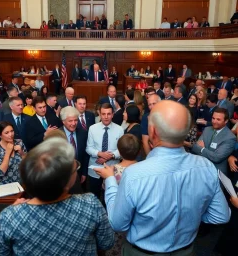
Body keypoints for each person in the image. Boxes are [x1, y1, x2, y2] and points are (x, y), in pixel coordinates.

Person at [94, 100, 230, 255]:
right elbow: (220, 216)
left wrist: (111, 180)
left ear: (153, 132)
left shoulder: (135, 174)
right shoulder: (206, 167)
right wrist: (191, 212)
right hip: (186, 251)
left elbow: (118, 224)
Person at [0, 137, 114, 255]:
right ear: (67, 182)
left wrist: (14, 211)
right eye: (74, 168)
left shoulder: (9, 217)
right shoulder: (91, 204)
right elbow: (107, 243)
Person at [103, 134, 140, 256]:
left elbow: (106, 189)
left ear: (119, 151)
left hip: (118, 215)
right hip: (137, 217)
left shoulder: (112, 170)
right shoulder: (143, 168)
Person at [86, 103, 124, 198]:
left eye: (108, 114)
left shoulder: (119, 129)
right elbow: (88, 148)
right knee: (94, 196)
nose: (106, 117)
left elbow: (121, 150)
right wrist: (100, 154)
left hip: (113, 170)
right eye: (103, 114)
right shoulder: (92, 129)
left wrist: (110, 156)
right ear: (99, 114)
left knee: (112, 196)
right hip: (95, 168)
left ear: (113, 114)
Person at [192, 107, 236, 176]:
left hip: (215, 173)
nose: (214, 121)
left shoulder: (230, 138)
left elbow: (216, 158)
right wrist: (208, 152)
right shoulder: (207, 129)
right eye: (213, 118)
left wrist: (202, 149)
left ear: (226, 121)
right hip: (200, 168)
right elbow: (194, 147)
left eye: (218, 119)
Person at [0, 121, 26, 186]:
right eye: (6, 133)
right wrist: (7, 153)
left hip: (20, 183)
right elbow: (0, 173)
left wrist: (21, 152)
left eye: (12, 131)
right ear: (0, 135)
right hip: (4, 185)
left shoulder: (19, 142)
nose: (11, 134)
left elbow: (28, 163)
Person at [60, 106, 89, 184]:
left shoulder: (83, 133)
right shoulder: (57, 135)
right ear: (63, 121)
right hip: (62, 177)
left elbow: (85, 154)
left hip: (80, 175)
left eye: (76, 120)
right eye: (70, 121)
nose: (73, 123)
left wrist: (84, 172)